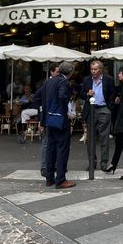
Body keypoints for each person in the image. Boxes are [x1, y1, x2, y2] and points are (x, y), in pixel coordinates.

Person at [38, 61, 75, 189]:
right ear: (70, 72)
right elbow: (62, 96)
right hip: (60, 120)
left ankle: (49, 178)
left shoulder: (49, 81)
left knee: (50, 149)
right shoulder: (63, 82)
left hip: (49, 119)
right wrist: (66, 112)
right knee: (62, 150)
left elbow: (41, 99)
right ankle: (60, 179)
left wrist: (43, 120)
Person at [80, 60, 115, 172]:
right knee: (90, 138)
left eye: (95, 69)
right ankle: (92, 162)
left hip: (104, 108)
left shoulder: (108, 79)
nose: (93, 71)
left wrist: (110, 106)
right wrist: (87, 94)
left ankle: (104, 163)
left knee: (104, 137)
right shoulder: (86, 80)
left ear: (101, 70)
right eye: (92, 69)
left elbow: (113, 93)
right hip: (91, 110)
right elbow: (80, 93)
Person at [105, 66, 123, 179]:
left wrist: (118, 117)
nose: (118, 75)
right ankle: (113, 164)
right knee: (119, 143)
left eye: (120, 73)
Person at [33, 64, 59, 177]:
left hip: (55, 117)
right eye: (57, 71)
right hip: (48, 117)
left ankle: (53, 165)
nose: (58, 73)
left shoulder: (59, 82)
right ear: (52, 72)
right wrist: (41, 115)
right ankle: (44, 166)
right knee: (46, 142)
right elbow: (37, 98)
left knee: (55, 142)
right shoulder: (47, 84)